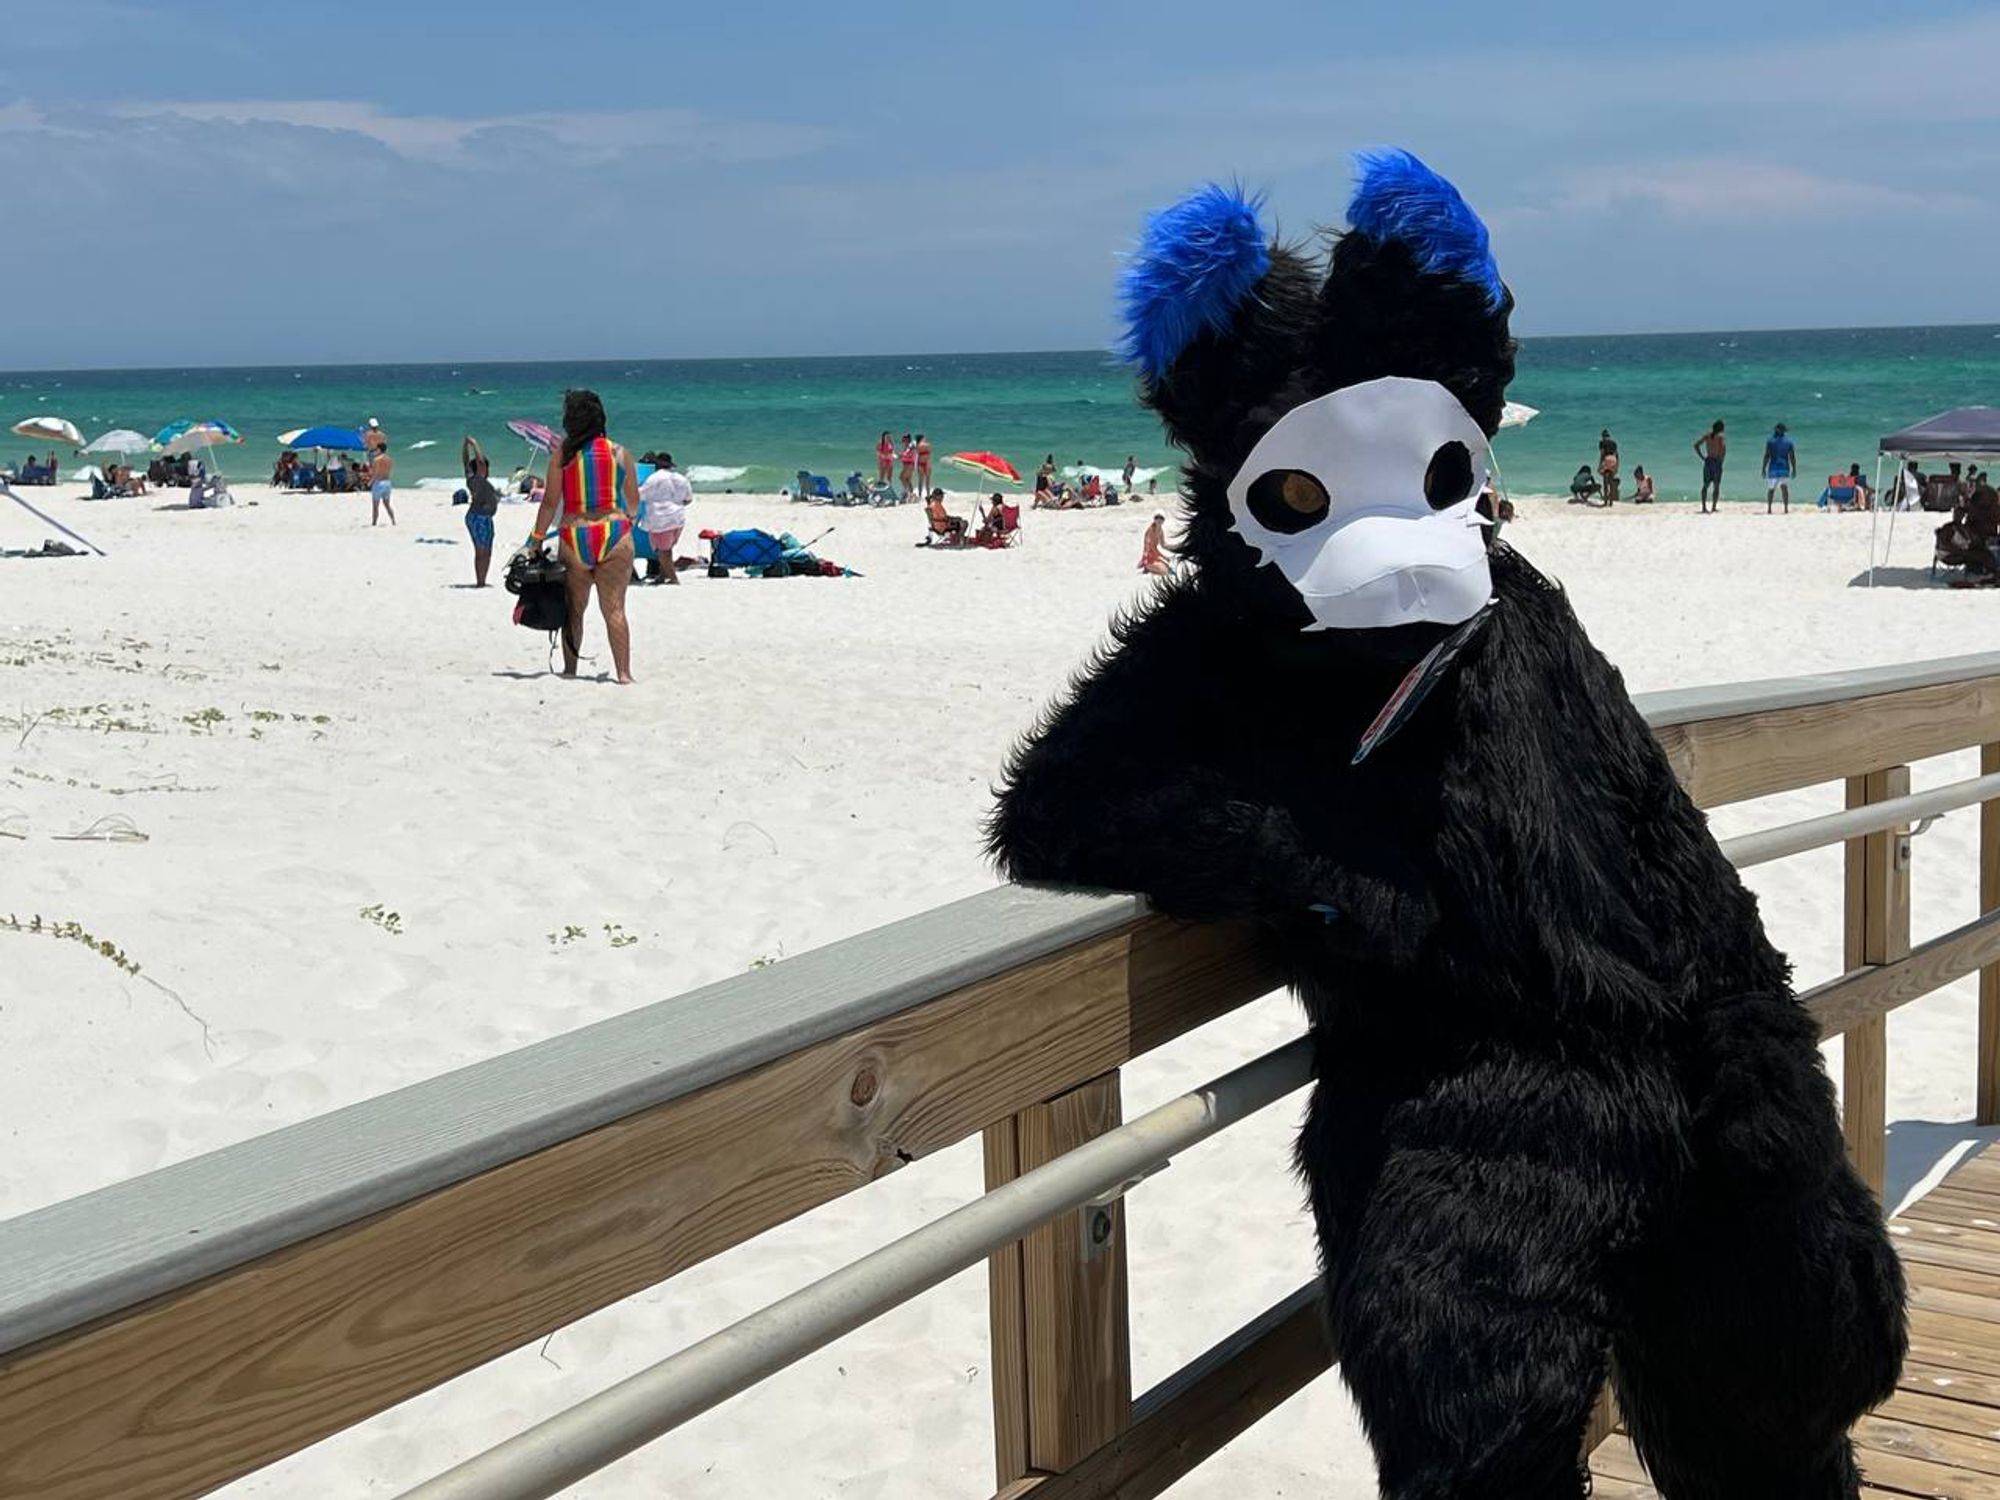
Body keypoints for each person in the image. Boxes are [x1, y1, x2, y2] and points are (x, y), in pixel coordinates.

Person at [523, 388, 639, 684]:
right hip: (614, 533)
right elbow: (633, 503)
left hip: (575, 536)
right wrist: (627, 521)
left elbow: (549, 503)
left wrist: (536, 539)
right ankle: (624, 674)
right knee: (614, 609)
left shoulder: (562, 456)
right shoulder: (620, 453)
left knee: (574, 610)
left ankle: (571, 670)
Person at [638, 450, 692, 584]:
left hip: (661, 518)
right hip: (678, 518)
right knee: (667, 549)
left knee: (662, 552)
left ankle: (673, 578)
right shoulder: (681, 478)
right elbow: (688, 499)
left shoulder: (654, 478)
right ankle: (662, 576)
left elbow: (640, 495)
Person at [461, 436, 499, 587]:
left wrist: (465, 447)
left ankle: (482, 580)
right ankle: (480, 582)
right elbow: (479, 462)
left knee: (486, 550)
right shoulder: (477, 479)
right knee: (482, 551)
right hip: (479, 517)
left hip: (483, 517)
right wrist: (475, 444)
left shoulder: (473, 479)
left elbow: (465, 461)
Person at [1762, 422, 1797, 514]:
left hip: (1773, 468)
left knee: (1771, 490)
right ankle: (1785, 509)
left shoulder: (1770, 441)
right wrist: (1794, 469)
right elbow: (1792, 457)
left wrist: (1763, 468)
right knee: (1784, 488)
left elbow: (1767, 456)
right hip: (1784, 468)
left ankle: (1769, 509)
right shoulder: (1789, 442)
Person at [1693, 420, 1726, 513]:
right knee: (1716, 485)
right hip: (1716, 461)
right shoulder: (1721, 437)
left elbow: (1696, 445)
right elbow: (1723, 449)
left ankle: (1703, 507)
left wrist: (1702, 457)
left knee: (1705, 485)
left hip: (1708, 461)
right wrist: (1721, 461)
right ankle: (1713, 507)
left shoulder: (1707, 435)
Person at [369, 440, 396, 526]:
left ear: (379, 449)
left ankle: (374, 523)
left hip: (379, 483)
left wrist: (370, 482)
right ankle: (393, 521)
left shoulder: (377, 460)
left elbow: (376, 473)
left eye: (376, 449)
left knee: (375, 505)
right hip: (387, 482)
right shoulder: (389, 459)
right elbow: (390, 471)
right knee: (387, 504)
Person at [1597, 428, 1621, 505]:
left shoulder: (1602, 442)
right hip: (1613, 459)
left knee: (1605, 481)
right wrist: (1617, 465)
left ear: (1603, 436)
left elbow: (1602, 454)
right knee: (1611, 481)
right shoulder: (1614, 443)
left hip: (1607, 459)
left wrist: (1600, 465)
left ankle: (1605, 501)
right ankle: (1611, 502)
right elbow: (1617, 454)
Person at [899, 433, 917, 497]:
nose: (903, 440)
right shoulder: (907, 445)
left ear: (907, 439)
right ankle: (911, 493)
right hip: (908, 464)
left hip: (909, 464)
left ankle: (907, 493)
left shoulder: (910, 445)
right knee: (908, 479)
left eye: (904, 439)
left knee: (901, 477)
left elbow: (908, 452)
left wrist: (901, 455)